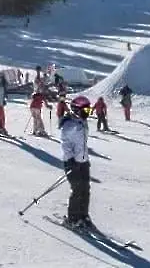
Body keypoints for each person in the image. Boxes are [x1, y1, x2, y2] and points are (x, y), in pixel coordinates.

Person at [60, 95, 93, 229]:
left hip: (83, 162)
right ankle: (72, 218)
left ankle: (83, 215)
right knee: (77, 190)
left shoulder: (81, 122)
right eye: (85, 111)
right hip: (72, 163)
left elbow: (82, 145)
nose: (88, 114)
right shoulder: (69, 125)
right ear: (77, 110)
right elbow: (66, 145)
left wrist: (84, 160)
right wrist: (72, 161)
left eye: (89, 111)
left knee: (85, 189)